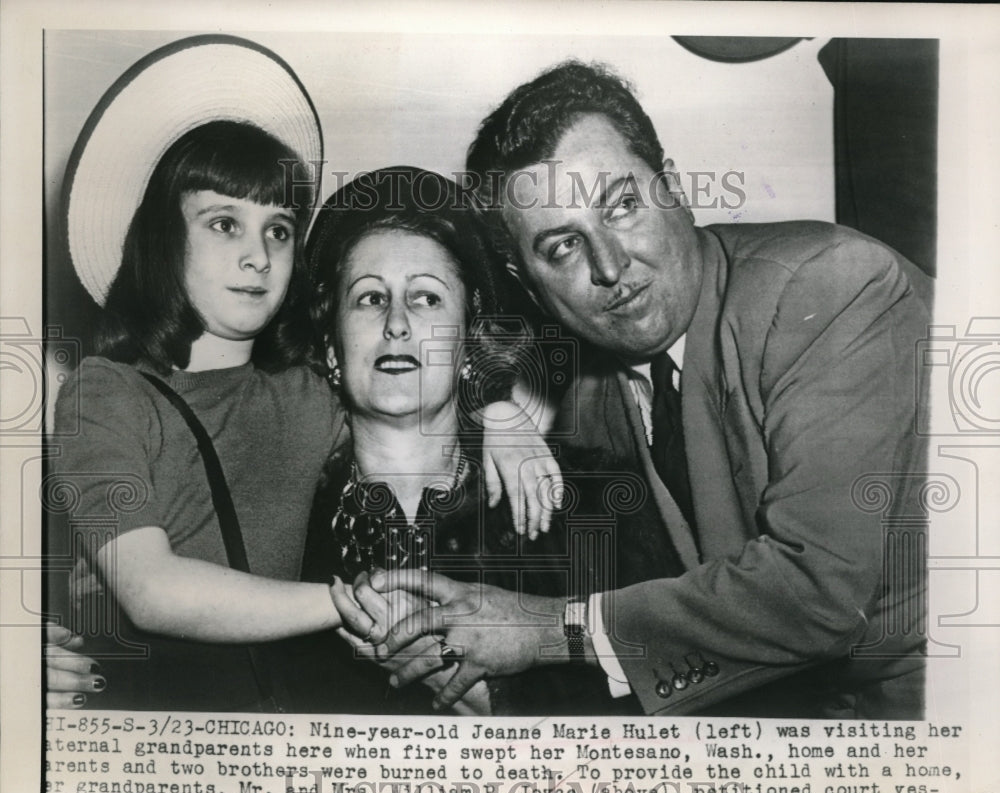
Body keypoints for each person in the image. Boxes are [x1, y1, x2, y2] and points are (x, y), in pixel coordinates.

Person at [367, 60, 933, 719]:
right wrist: (498, 413)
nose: (611, 267)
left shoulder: (830, 284)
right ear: (528, 281)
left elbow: (819, 594)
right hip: (795, 713)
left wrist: (552, 631)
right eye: (563, 248)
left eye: (623, 206)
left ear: (671, 184)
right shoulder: (600, 372)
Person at [44, 38, 556, 712]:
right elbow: (150, 591)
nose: (258, 255)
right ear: (162, 239)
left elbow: (409, 379)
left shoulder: (306, 390)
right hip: (151, 711)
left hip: (266, 719)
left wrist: (500, 410)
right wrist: (346, 602)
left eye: (280, 229)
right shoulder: (106, 392)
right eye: (225, 223)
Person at [281, 166, 670, 715]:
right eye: (369, 299)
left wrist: (484, 693)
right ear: (330, 346)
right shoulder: (280, 525)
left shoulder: (592, 505)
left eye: (427, 299)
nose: (397, 324)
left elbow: (671, 696)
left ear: (468, 342)